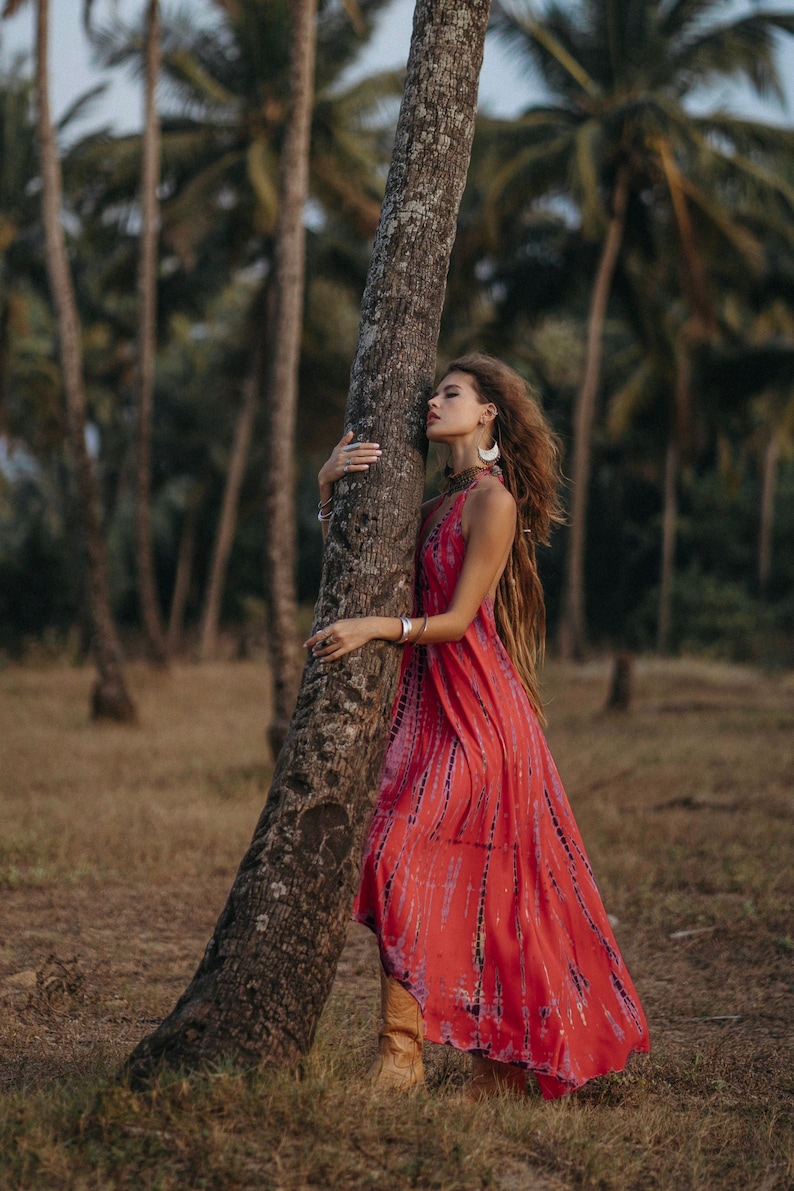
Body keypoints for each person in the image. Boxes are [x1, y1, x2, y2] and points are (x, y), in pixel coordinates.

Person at [305, 353, 650, 1099]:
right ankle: (456, 1061)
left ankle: (407, 1059)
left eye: (451, 393)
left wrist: (373, 627)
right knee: (404, 858)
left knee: (410, 855)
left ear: (489, 411)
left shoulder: (493, 503)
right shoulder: (431, 507)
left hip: (482, 717)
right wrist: (326, 487)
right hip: (428, 714)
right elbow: (353, 565)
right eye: (435, 391)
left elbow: (461, 620)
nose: (432, 401)